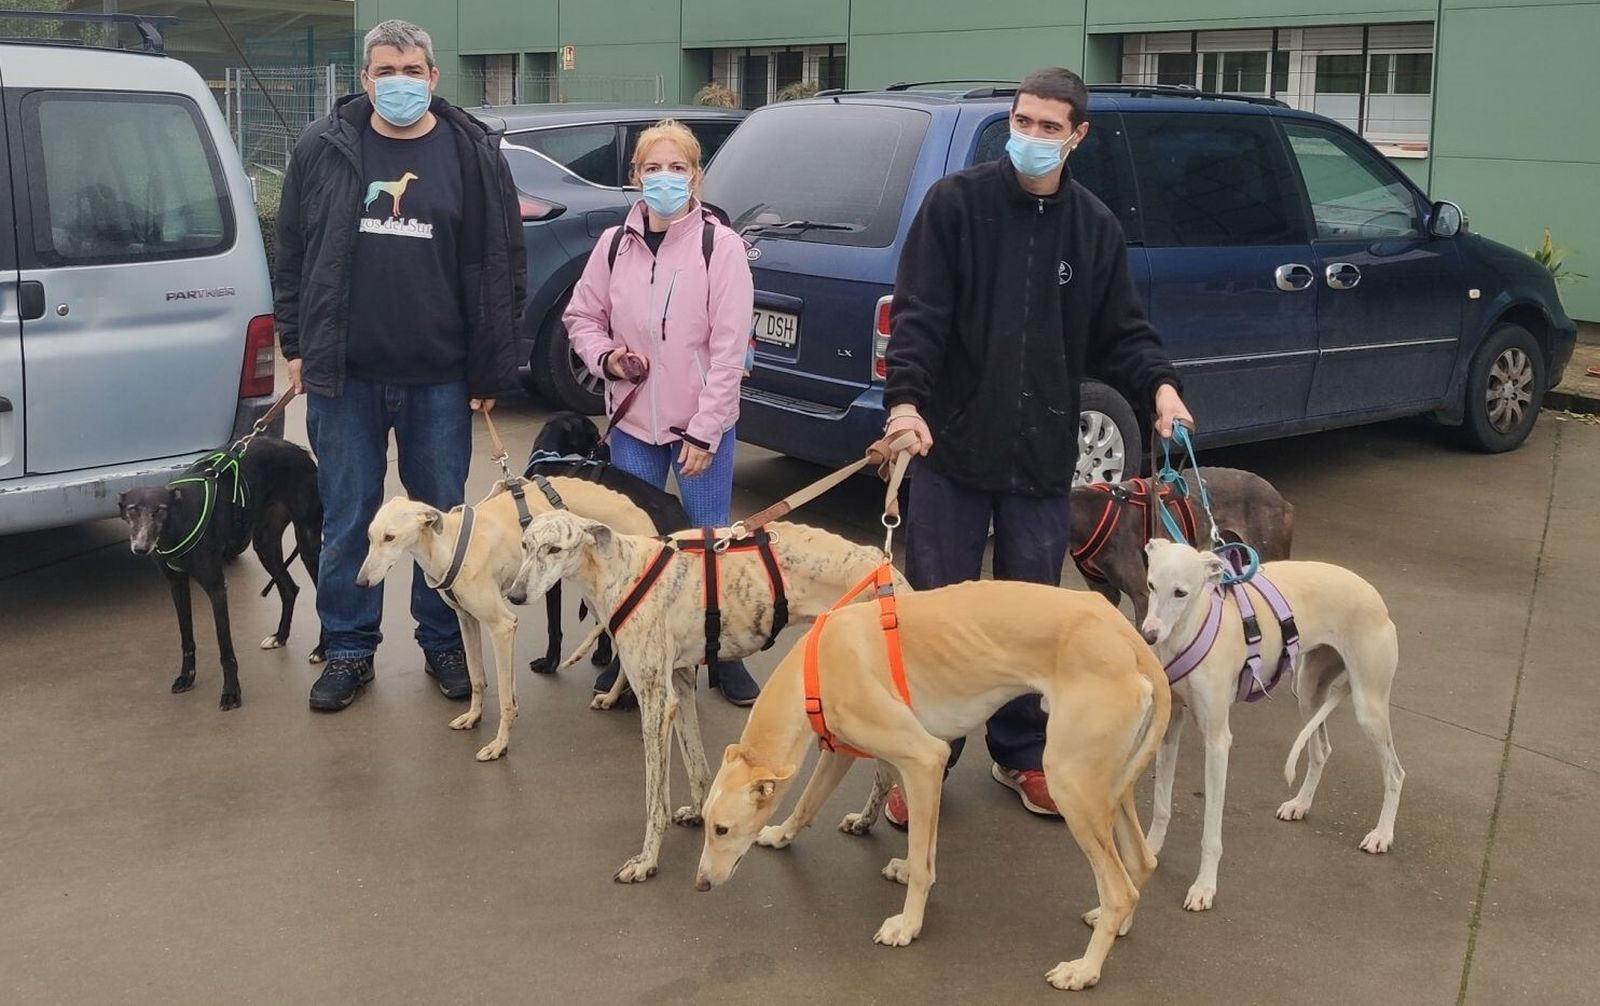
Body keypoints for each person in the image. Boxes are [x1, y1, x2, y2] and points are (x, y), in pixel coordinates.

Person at [881, 67, 1194, 821]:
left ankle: (1020, 754)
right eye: (1023, 122)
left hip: (1039, 462)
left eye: (1050, 127)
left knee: (1030, 621)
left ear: (1077, 136)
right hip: (949, 452)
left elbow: (1123, 332)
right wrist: (905, 406)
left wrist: (1160, 386)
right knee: (939, 617)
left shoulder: (1092, 228)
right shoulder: (954, 207)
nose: (1032, 137)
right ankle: (925, 755)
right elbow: (919, 318)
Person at [274, 19, 527, 711]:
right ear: (364, 78)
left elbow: (503, 264)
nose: (400, 83)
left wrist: (489, 369)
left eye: (412, 71)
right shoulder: (323, 149)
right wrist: (298, 346)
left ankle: (442, 642)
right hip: (345, 379)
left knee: (439, 521)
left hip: (440, 380)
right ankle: (349, 650)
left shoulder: (472, 153)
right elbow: (292, 254)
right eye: (386, 71)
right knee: (349, 515)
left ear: (434, 77)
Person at [563, 119, 760, 706]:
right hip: (632, 426)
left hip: (701, 427)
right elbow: (581, 317)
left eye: (679, 168)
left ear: (697, 176)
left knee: (706, 546)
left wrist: (705, 431)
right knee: (632, 548)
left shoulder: (718, 246)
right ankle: (632, 661)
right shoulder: (612, 245)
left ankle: (724, 656)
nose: (666, 178)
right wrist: (608, 359)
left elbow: (730, 349)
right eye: (654, 168)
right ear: (635, 176)